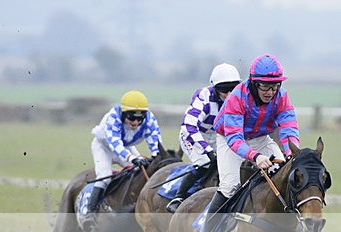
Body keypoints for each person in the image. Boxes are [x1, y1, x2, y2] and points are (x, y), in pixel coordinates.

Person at [190, 54, 321, 232]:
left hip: (260, 137)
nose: (271, 92)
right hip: (229, 139)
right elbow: (234, 137)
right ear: (253, 82)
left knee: (286, 176)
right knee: (230, 185)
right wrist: (255, 156)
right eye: (265, 86)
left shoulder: (281, 96)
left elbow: (288, 127)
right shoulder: (237, 96)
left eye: (275, 86)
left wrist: (290, 154)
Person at [167, 63, 242, 213]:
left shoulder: (240, 99)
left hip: (217, 136)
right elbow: (189, 126)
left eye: (232, 89)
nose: (228, 94)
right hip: (193, 135)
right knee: (205, 162)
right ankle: (178, 197)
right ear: (215, 88)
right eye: (223, 90)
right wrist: (207, 150)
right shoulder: (204, 97)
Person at [87, 90, 162, 223]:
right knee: (104, 175)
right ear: (123, 113)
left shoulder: (150, 119)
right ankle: (90, 213)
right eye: (131, 118)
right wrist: (132, 158)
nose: (135, 122)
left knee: (139, 172)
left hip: (126, 147)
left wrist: (156, 157)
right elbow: (115, 144)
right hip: (104, 147)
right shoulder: (113, 117)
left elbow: (155, 142)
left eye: (140, 118)